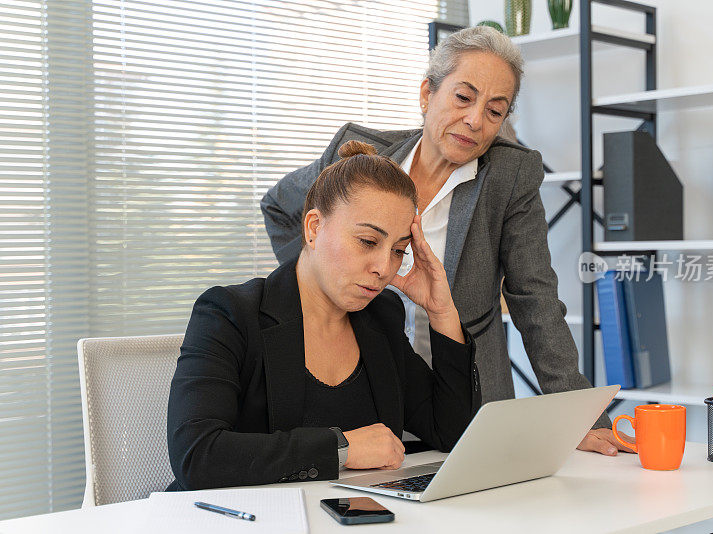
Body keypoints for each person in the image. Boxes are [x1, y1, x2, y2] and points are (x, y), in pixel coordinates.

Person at [261, 26, 633, 456]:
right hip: (360, 388)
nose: (475, 120)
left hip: (463, 395)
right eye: (463, 97)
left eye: (495, 111)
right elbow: (280, 207)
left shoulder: (508, 177)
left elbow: (535, 299)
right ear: (426, 93)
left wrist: (578, 418)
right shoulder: (359, 155)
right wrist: (317, 291)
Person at [167, 141, 480, 491]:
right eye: (366, 241)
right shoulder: (230, 314)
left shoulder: (381, 318)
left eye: (397, 251)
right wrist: (342, 448)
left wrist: (442, 312)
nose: (383, 268)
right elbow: (196, 455)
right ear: (314, 228)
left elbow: (453, 433)